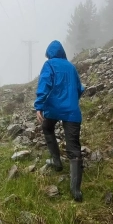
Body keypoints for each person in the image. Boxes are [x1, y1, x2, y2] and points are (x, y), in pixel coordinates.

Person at [34, 40, 86, 202]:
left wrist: (39, 106)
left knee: (47, 127)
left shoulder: (49, 65)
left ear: (49, 53)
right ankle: (75, 190)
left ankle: (56, 161)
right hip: (71, 111)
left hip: (54, 108)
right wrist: (70, 101)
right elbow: (79, 88)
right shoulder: (71, 67)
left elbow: (45, 84)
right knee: (73, 147)